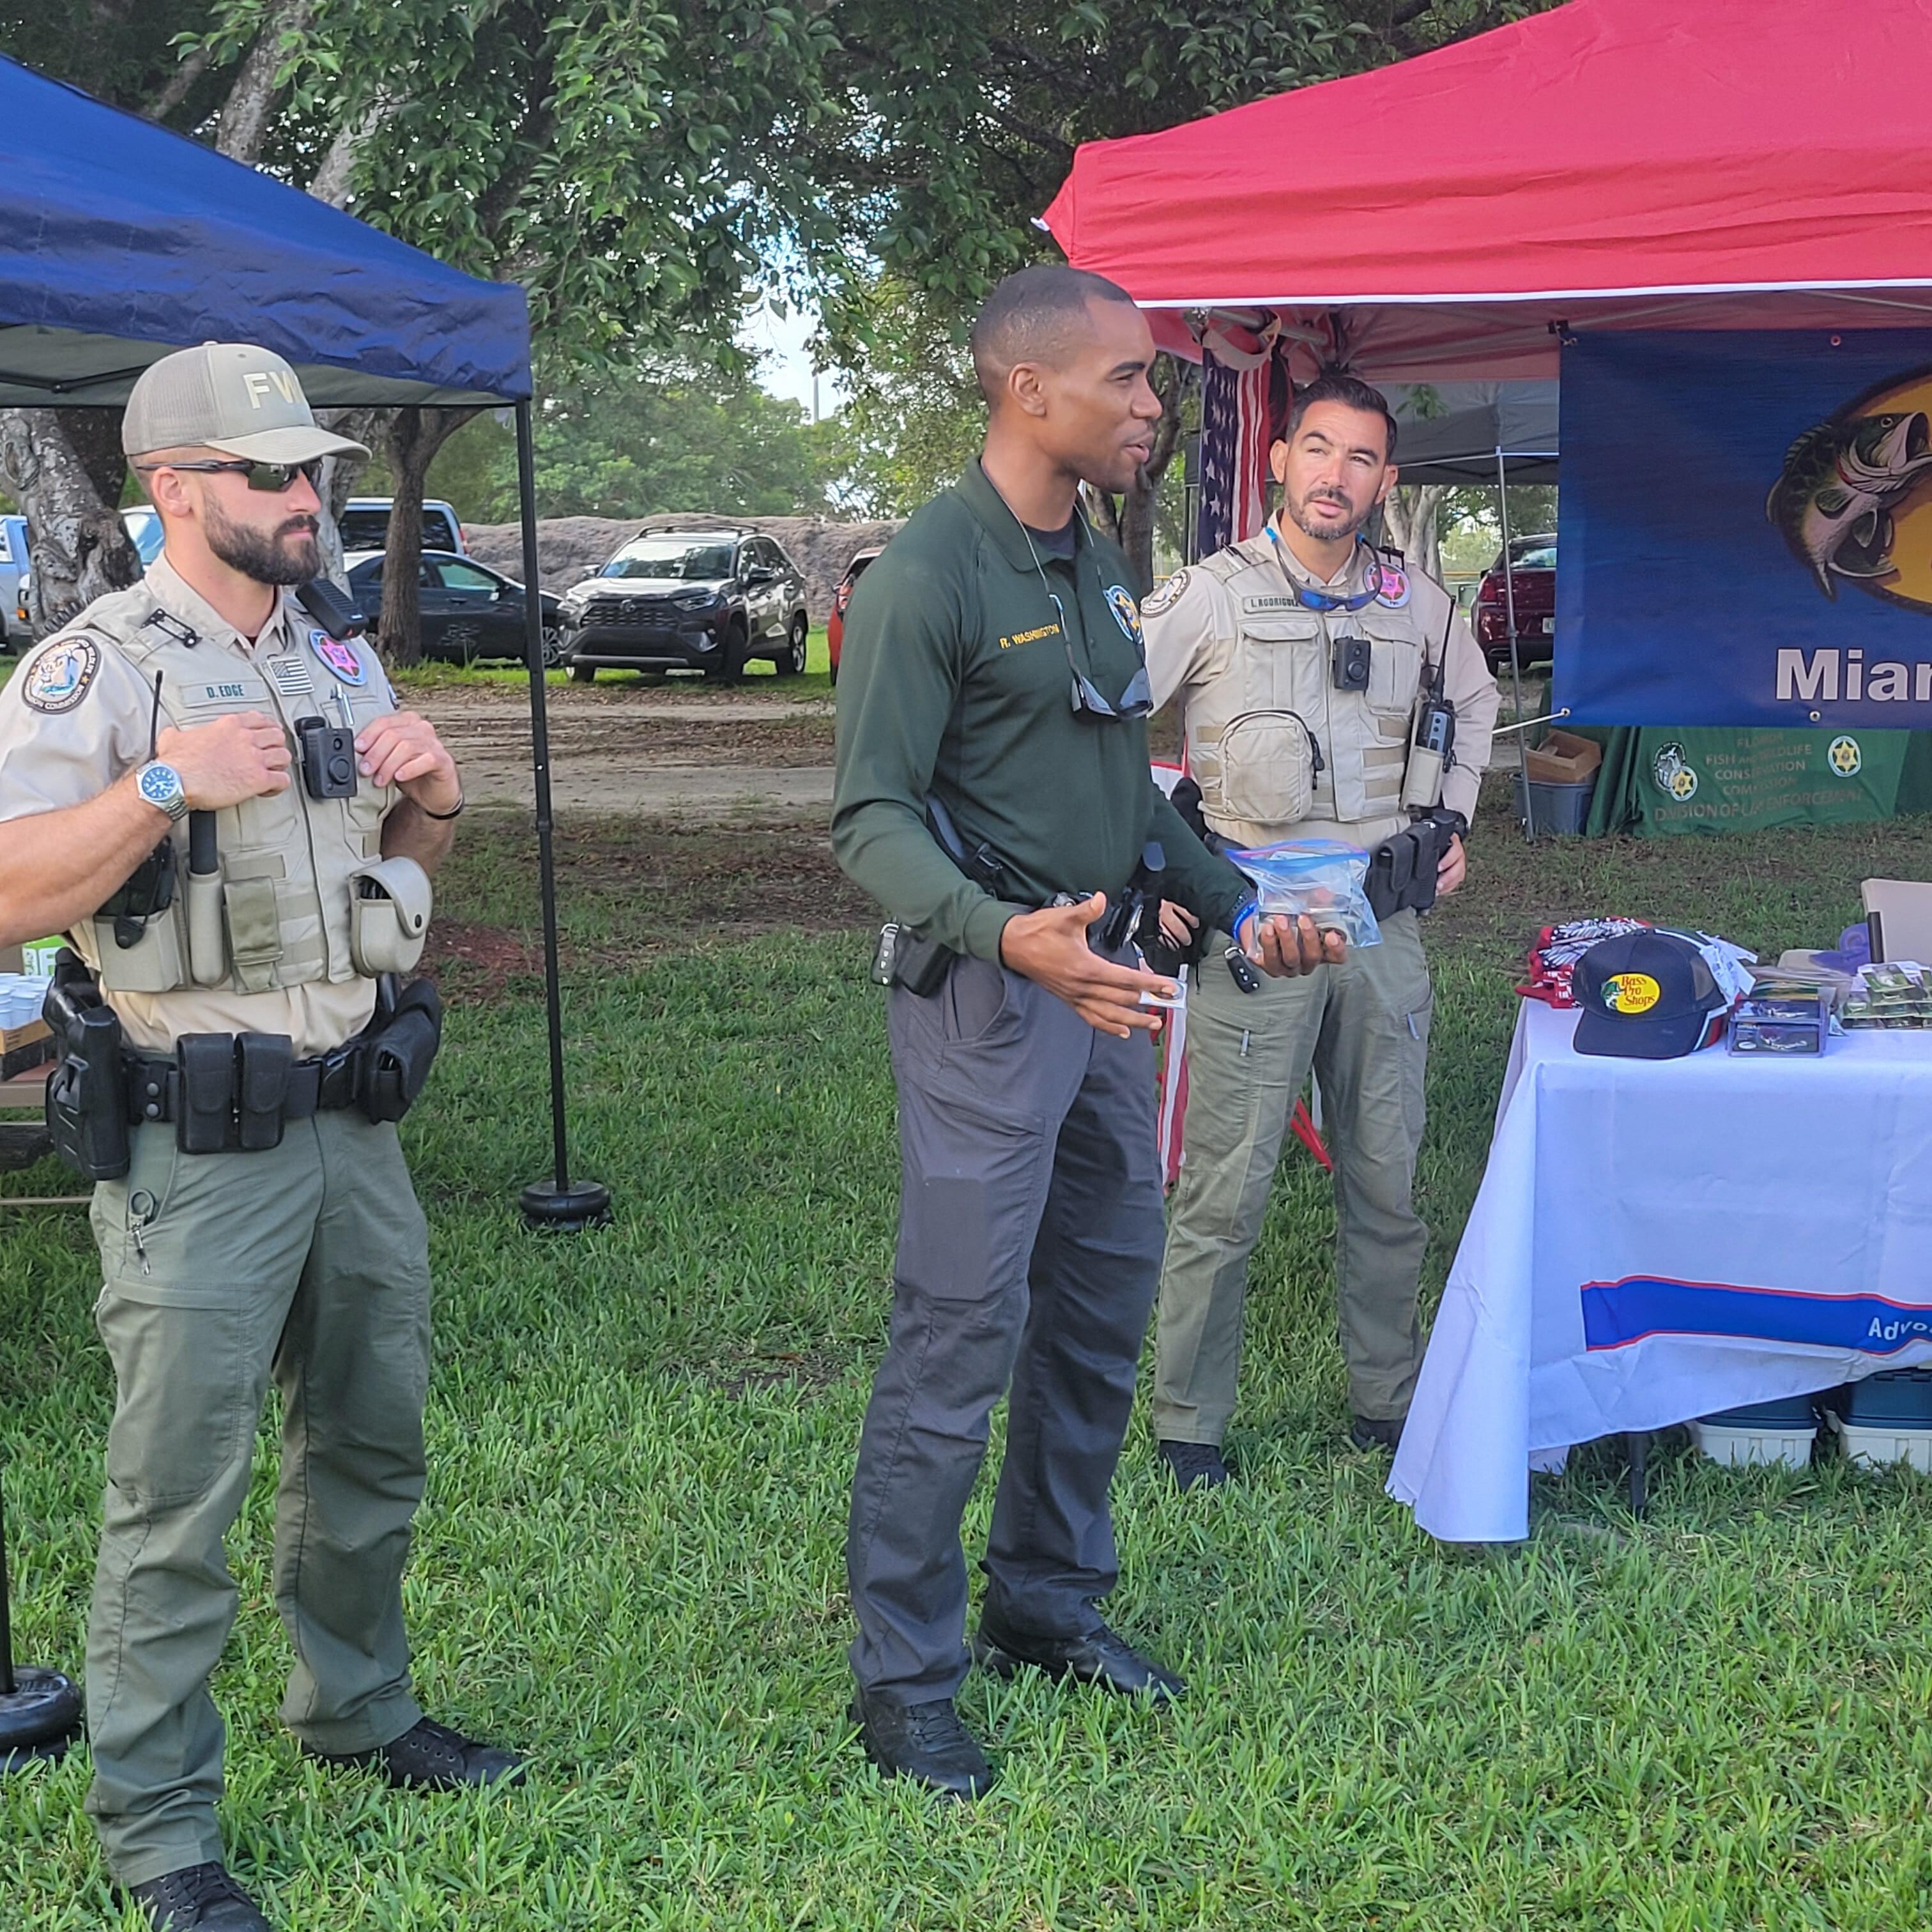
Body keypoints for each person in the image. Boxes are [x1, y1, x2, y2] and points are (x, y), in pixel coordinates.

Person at [0, 343, 521, 1932]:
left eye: (317, 474)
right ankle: (159, 1826)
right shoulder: (95, 668)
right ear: (174, 491)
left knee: (372, 1441)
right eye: (275, 475)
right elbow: (12, 890)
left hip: (352, 1120)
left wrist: (434, 795)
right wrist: (164, 779)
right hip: (193, 1144)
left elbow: (395, 881)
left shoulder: (335, 655)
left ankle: (355, 1707)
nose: (311, 498)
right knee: (179, 1491)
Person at [831, 265, 1336, 1801]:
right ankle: (904, 1682)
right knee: (956, 1335)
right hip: (995, 992)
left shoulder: (1100, 564)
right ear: (1021, 388)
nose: (1149, 405)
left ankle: (1047, 1603)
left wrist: (1236, 902)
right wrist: (1002, 934)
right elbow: (865, 822)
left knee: (1101, 1308)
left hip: (1118, 987)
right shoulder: (932, 574)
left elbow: (1127, 794)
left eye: (1154, 381)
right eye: (1125, 379)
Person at [1142, 371, 1499, 1490]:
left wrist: (1454, 821)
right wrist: (1155, 863)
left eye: (1360, 459)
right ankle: (1188, 1424)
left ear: (1384, 482)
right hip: (1255, 929)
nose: (1335, 475)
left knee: (1387, 1183)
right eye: (1319, 450)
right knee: (1225, 1188)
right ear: (1280, 461)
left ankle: (1387, 1404)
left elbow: (1478, 707)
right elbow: (1098, 726)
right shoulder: (1206, 596)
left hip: (1382, 931)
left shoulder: (1421, 606)